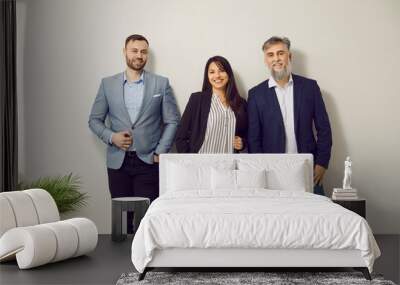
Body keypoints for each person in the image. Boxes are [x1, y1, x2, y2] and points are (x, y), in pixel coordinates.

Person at [89, 34, 179, 232]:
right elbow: (94, 120)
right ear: (125, 52)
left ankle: (144, 261)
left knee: (147, 217)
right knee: (122, 220)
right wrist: (112, 137)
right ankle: (123, 260)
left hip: (148, 162)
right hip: (117, 163)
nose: (139, 55)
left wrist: (160, 152)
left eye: (143, 51)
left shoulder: (160, 84)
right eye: (135, 50)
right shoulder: (107, 84)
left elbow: (172, 120)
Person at [247, 36, 332, 195]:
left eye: (281, 53)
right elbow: (253, 139)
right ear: (265, 60)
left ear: (289, 56)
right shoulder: (256, 94)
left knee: (314, 217)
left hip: (308, 170)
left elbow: (324, 128)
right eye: (270, 55)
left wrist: (322, 163)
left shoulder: (309, 87)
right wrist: (259, 170)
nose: (276, 59)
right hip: (271, 173)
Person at [175, 56, 247, 153]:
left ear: (229, 74)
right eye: (212, 72)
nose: (217, 76)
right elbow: (180, 136)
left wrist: (242, 143)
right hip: (200, 164)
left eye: (221, 70)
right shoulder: (197, 99)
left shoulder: (241, 103)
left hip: (229, 164)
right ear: (207, 76)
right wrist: (189, 161)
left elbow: (247, 134)